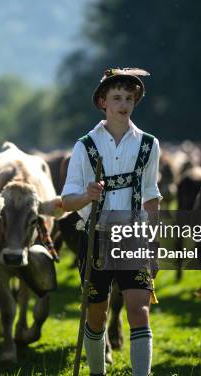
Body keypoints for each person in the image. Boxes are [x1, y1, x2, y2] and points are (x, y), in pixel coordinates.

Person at [61, 68, 162, 375]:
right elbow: (67, 201)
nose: (123, 104)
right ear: (102, 102)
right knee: (96, 316)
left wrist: (153, 242)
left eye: (129, 98)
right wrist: (87, 195)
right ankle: (97, 372)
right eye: (117, 97)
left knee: (139, 311)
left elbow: (151, 196)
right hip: (95, 239)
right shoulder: (84, 146)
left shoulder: (148, 144)